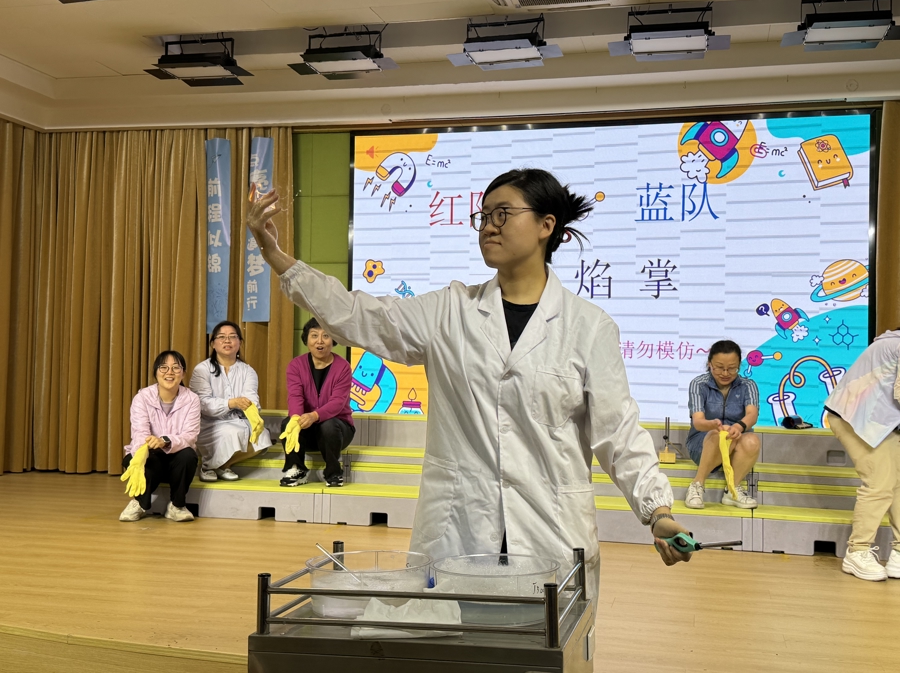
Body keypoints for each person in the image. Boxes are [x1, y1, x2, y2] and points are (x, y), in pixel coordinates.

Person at [246, 168, 691, 610]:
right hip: (459, 533)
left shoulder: (589, 327)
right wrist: (276, 256)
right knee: (456, 639)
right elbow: (359, 315)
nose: (488, 226)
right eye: (484, 216)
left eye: (503, 214)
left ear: (546, 225)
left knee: (547, 641)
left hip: (550, 534)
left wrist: (657, 512)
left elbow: (618, 432)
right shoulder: (450, 310)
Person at [825, 329, 900, 582]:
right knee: (879, 482)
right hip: (856, 417)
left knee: (897, 483)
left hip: (883, 420)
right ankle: (857, 551)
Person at [119, 350, 201, 523]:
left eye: (176, 368)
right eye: (163, 367)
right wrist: (148, 446)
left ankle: (177, 506)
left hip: (176, 456)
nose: (169, 372)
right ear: (155, 372)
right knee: (139, 460)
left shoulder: (192, 399)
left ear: (183, 373)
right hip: (150, 452)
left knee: (188, 455)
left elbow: (190, 435)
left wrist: (165, 440)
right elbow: (139, 432)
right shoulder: (142, 398)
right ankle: (139, 503)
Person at [190, 320, 272, 481]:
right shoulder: (202, 369)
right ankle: (210, 466)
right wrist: (231, 403)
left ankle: (217, 466)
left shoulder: (248, 371)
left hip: (239, 420)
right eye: (221, 337)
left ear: (239, 342)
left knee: (263, 436)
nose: (227, 341)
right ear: (213, 344)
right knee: (232, 432)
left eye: (232, 337)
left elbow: (251, 399)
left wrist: (249, 406)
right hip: (209, 423)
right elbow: (202, 403)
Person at [684, 340, 760, 510]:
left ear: (739, 365)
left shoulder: (748, 386)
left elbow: (752, 415)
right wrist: (713, 425)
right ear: (709, 364)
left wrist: (738, 427)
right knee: (720, 436)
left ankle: (733, 490)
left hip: (737, 441)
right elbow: (698, 422)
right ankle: (697, 485)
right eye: (719, 368)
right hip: (703, 443)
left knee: (752, 440)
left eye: (732, 368)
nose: (725, 373)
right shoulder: (699, 384)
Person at [279, 318, 355, 488]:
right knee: (288, 423)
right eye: (314, 335)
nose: (320, 341)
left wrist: (314, 416)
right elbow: (295, 396)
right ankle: (296, 469)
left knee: (328, 425)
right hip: (308, 429)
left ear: (333, 340)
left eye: (326, 336)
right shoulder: (296, 365)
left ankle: (333, 473)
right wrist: (297, 418)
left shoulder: (343, 367)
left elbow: (337, 402)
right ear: (306, 340)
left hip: (339, 429)